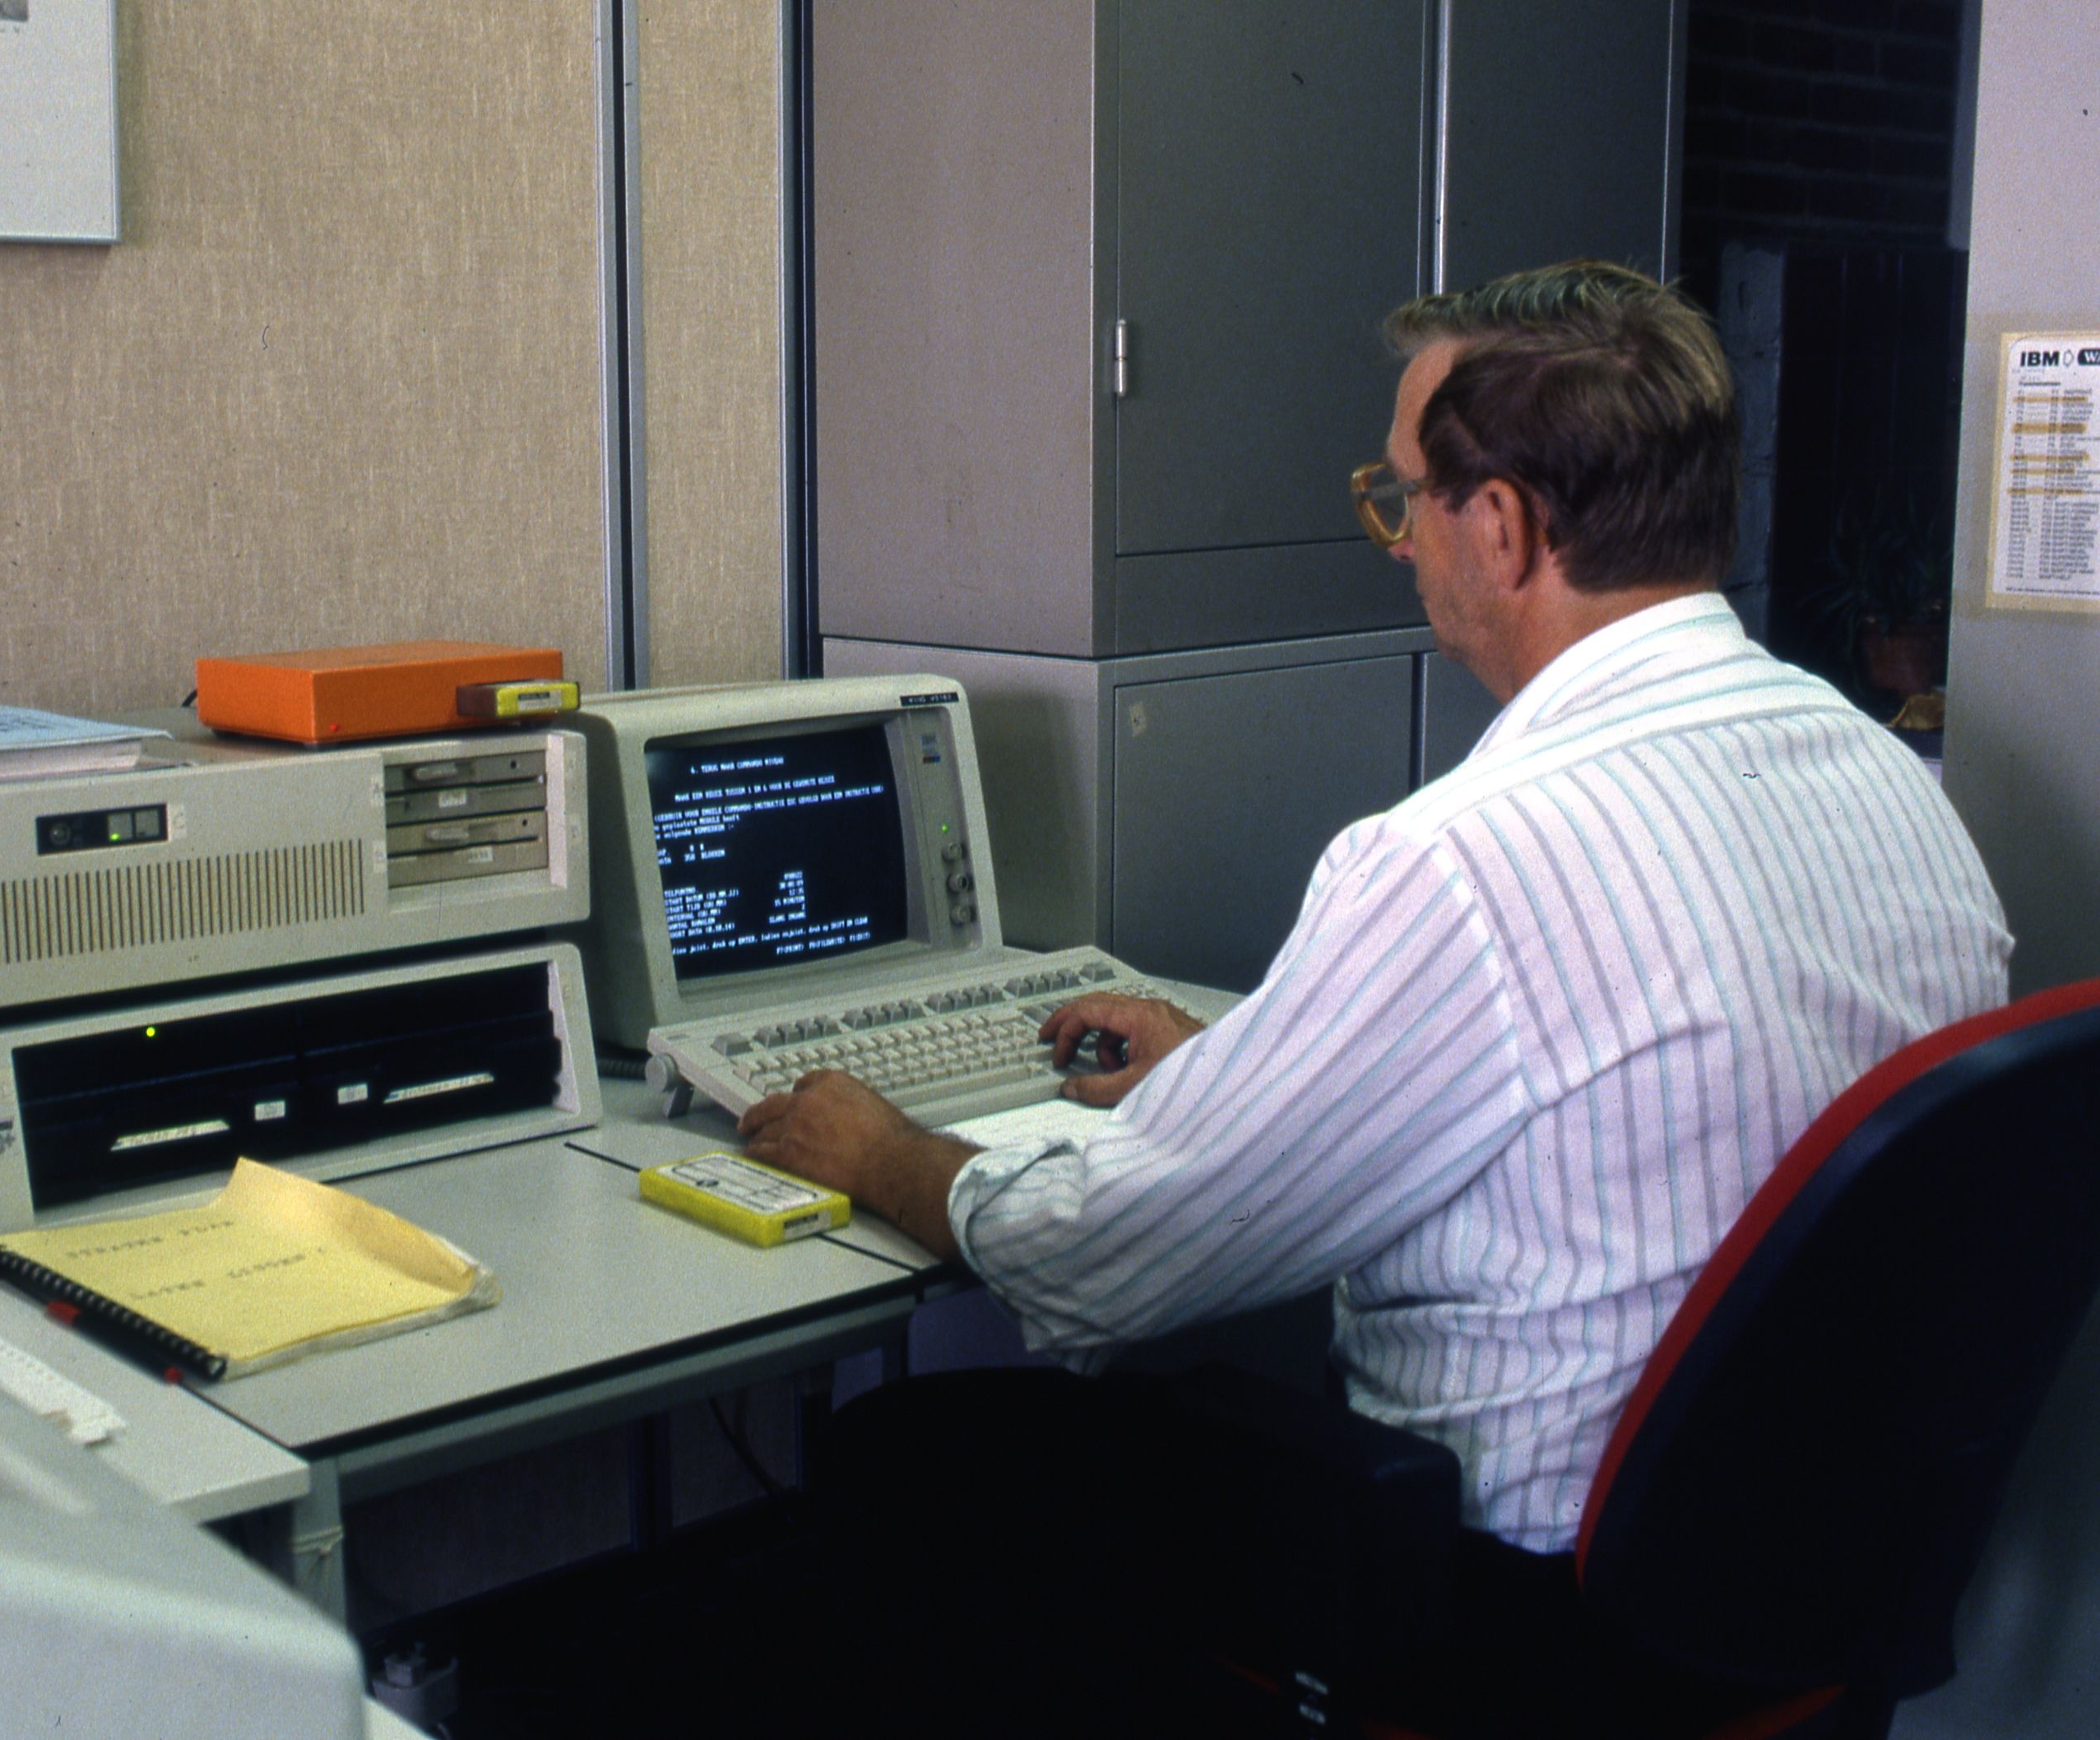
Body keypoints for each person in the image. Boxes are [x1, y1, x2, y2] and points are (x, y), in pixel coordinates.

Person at [730, 261, 2011, 1731]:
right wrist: (1247, 1063)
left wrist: (885, 1152)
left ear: (1504, 526)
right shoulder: (1888, 780)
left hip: (1530, 1620)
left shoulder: (1465, 855)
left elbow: (1109, 1253)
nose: (1399, 544)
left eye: (1404, 498)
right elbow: (1633, 1085)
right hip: (1805, 1586)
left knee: (919, 1450)